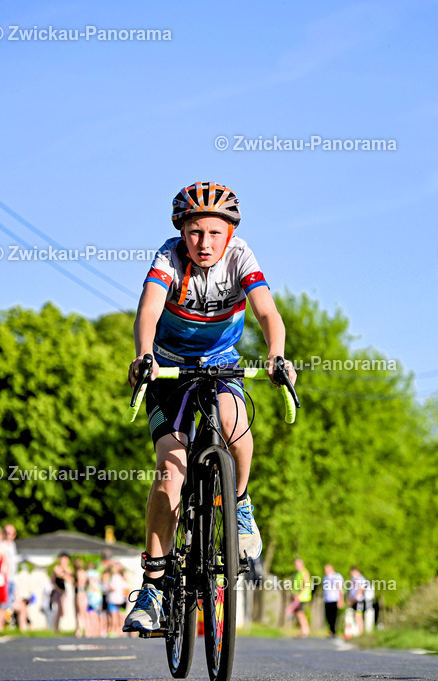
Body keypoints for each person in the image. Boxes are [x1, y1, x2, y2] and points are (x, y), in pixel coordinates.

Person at [124, 181, 296, 634]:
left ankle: (238, 505)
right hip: (169, 367)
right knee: (170, 476)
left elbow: (267, 313)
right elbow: (148, 311)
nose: (204, 243)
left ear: (230, 232)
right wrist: (144, 356)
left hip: (220, 361)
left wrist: (277, 353)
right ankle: (154, 589)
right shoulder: (168, 257)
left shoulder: (241, 256)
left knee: (235, 427)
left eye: (214, 233)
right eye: (195, 232)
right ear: (182, 231)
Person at [285, 558, 312, 637]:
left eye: (298, 564)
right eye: (295, 565)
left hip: (302, 596)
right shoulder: (299, 573)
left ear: (302, 564)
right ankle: (304, 629)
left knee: (300, 613)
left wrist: (299, 594)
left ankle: (305, 630)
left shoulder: (304, 572)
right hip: (300, 596)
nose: (296, 566)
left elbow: (305, 583)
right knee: (299, 612)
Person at [50, 554, 72, 633]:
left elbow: (71, 579)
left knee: (62, 611)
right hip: (57, 592)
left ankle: (59, 627)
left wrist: (66, 573)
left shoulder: (68, 569)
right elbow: (58, 575)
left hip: (64, 592)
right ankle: (56, 628)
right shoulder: (57, 568)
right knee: (58, 610)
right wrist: (65, 573)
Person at [322, 564, 345, 637]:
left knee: (334, 616)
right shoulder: (325, 577)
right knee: (327, 616)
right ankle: (331, 630)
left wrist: (341, 600)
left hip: (335, 599)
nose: (325, 571)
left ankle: (333, 631)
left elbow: (341, 588)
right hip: (327, 599)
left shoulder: (337, 576)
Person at [348, 566, 371, 636]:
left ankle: (361, 632)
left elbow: (361, 590)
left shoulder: (361, 579)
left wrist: (354, 599)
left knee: (358, 616)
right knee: (356, 616)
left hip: (359, 600)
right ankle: (358, 631)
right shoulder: (353, 579)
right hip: (354, 600)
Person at [73, 558, 89, 637]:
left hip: (79, 593)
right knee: (83, 612)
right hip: (84, 593)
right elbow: (87, 584)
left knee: (79, 612)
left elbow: (78, 583)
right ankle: (84, 629)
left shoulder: (78, 573)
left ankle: (80, 629)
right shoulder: (85, 573)